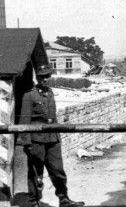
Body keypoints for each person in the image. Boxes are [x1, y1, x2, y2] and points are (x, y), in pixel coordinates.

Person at [17, 65, 84, 207]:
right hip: (36, 140)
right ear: (37, 78)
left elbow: (53, 117)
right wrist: (26, 142)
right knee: (36, 173)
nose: (45, 79)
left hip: (53, 139)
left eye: (47, 76)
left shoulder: (50, 92)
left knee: (58, 170)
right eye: (42, 77)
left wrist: (57, 135)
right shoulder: (29, 95)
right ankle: (34, 202)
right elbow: (24, 120)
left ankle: (64, 199)